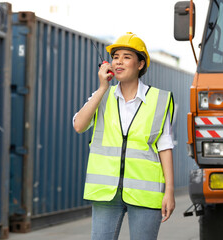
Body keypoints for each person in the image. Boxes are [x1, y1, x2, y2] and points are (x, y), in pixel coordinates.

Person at [73, 32, 175, 240]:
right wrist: (102, 87)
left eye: (126, 57)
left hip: (145, 192)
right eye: (116, 56)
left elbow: (165, 147)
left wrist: (169, 191)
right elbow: (79, 125)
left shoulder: (159, 100)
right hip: (106, 193)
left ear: (140, 64)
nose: (119, 61)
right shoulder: (103, 96)